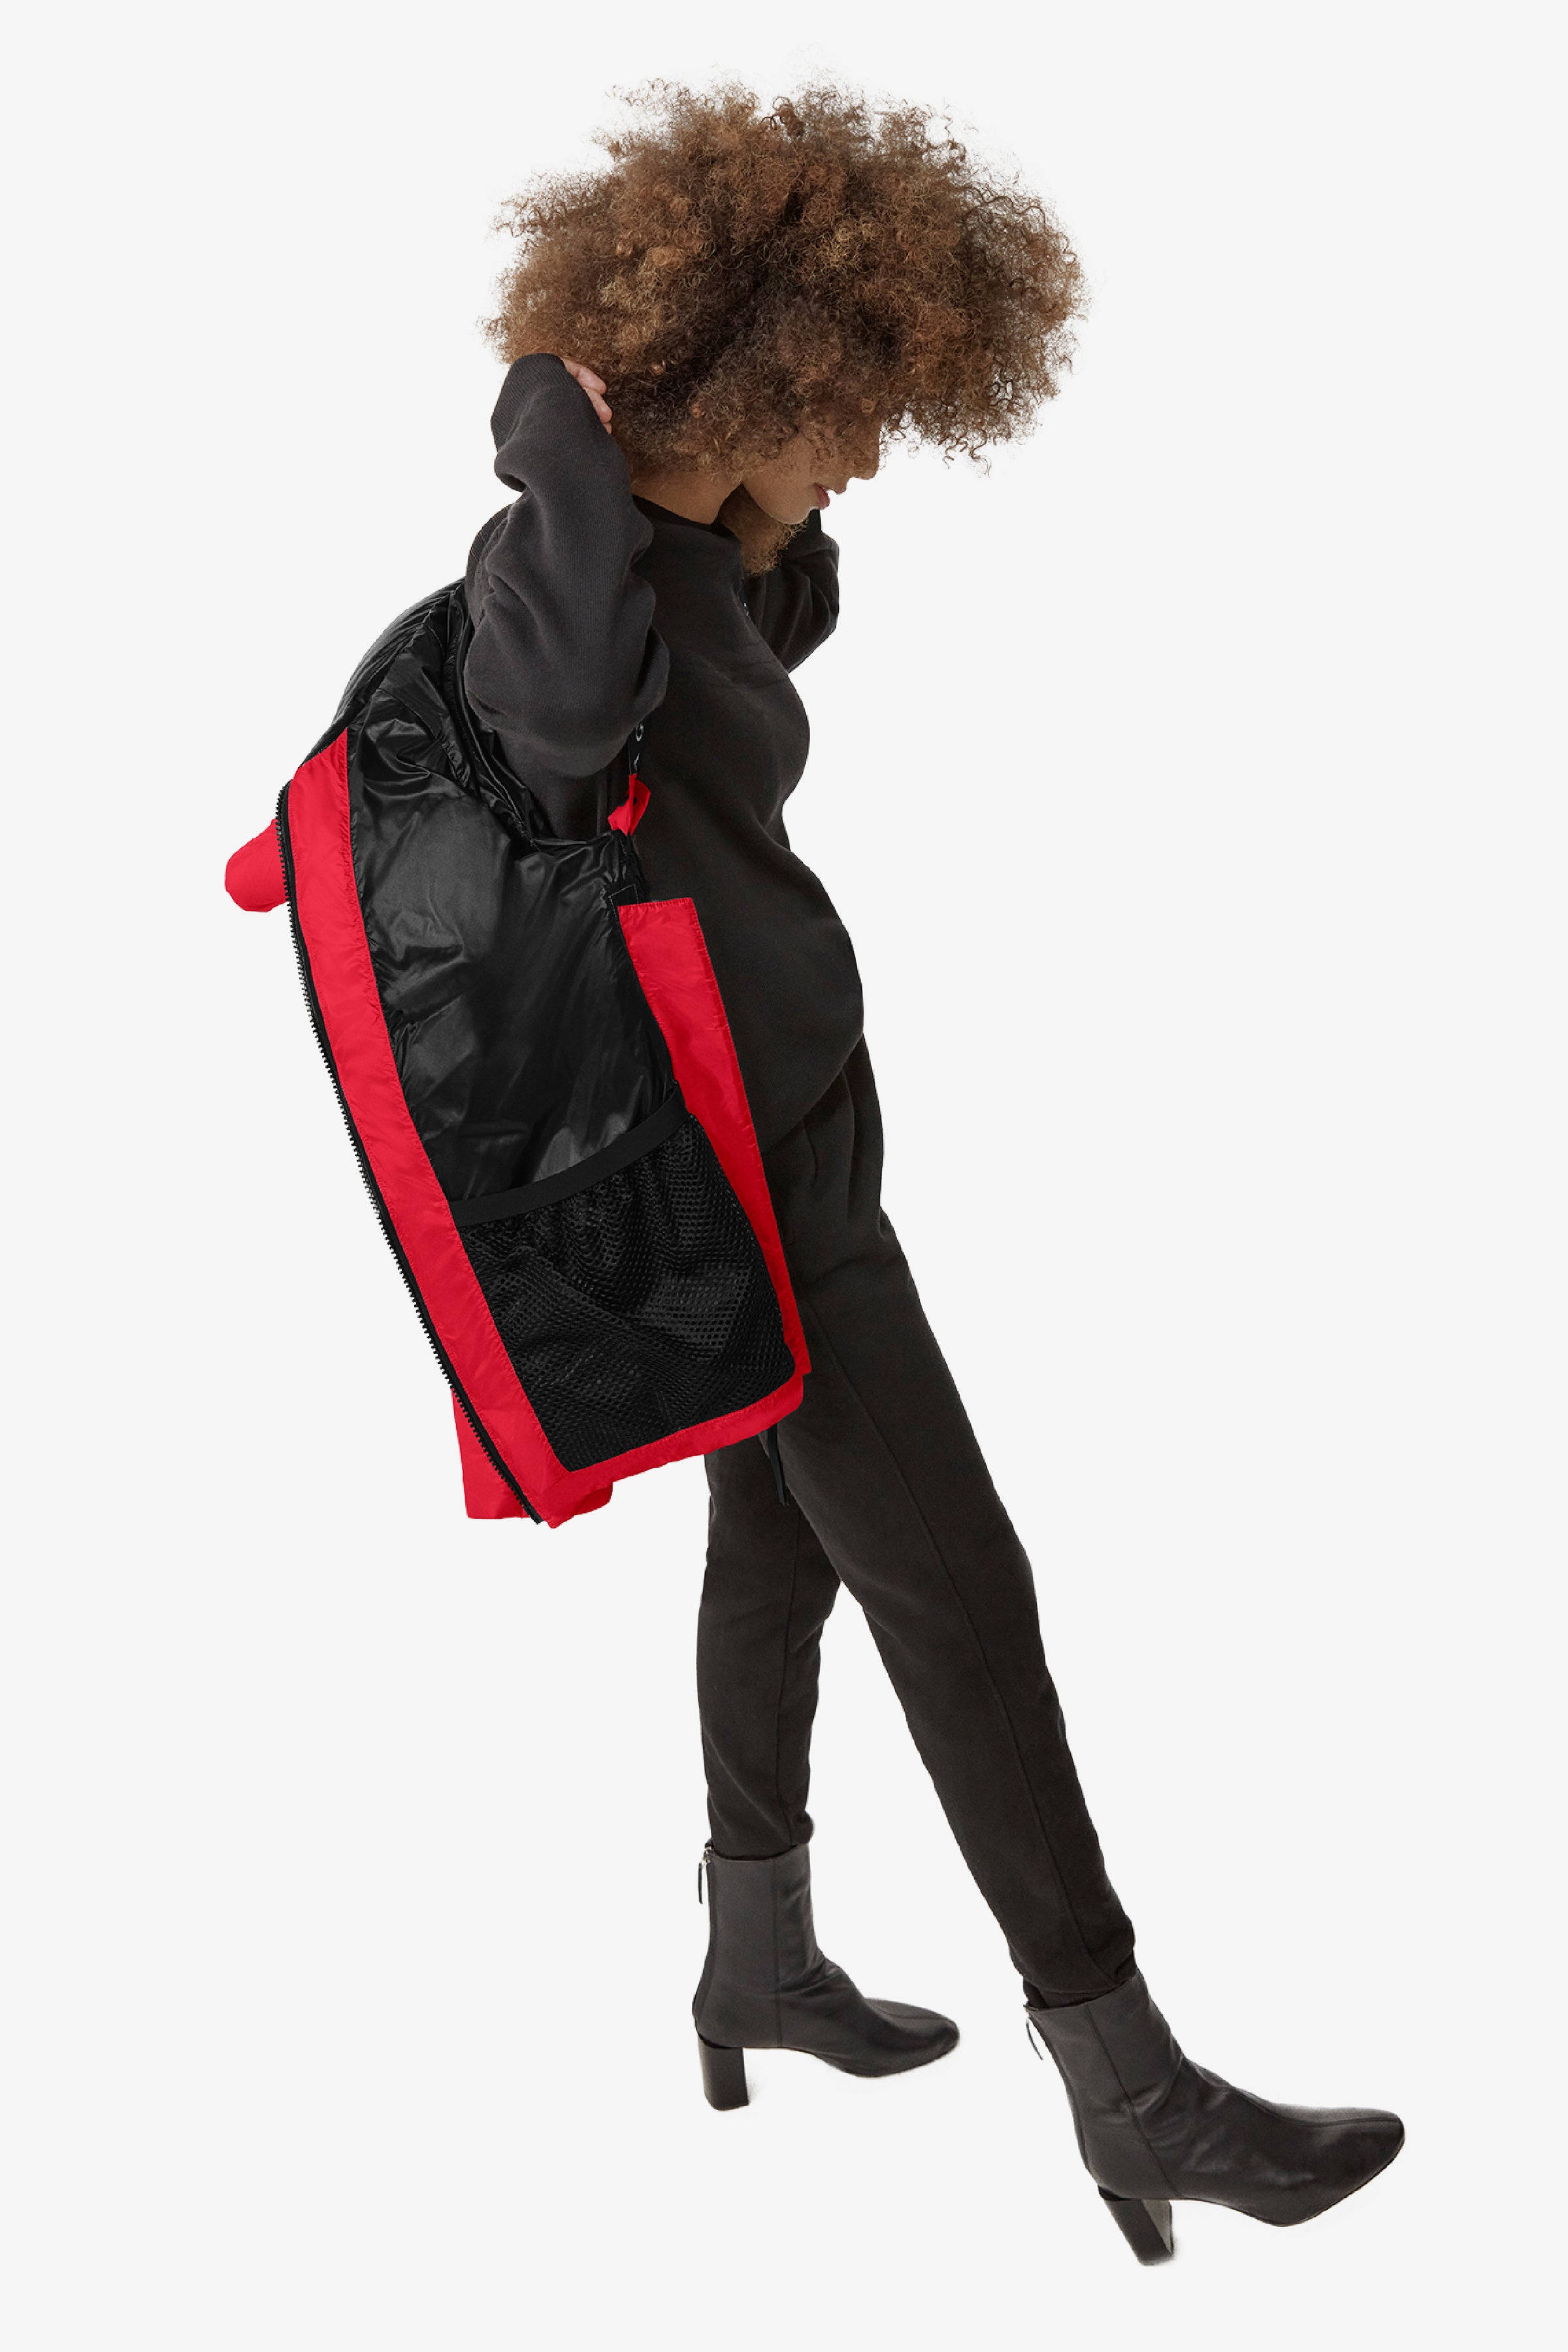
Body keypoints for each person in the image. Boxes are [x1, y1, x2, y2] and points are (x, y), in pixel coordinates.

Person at [461, 80, 1402, 2262]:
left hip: (798, 1122)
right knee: (960, 1593)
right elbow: (561, 730)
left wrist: (728, 500)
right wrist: (554, 428)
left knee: (781, 1544)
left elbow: (766, 641)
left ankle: (757, 1956)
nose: (877, 452)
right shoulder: (554, 579)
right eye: (858, 406)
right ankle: (1130, 2082)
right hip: (742, 1182)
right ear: (752, 371)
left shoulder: (686, 564)